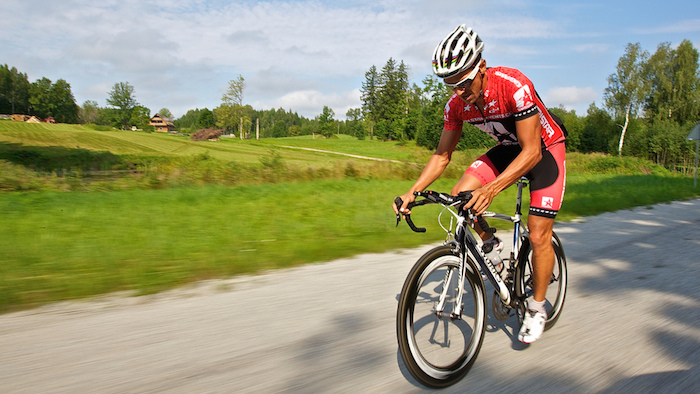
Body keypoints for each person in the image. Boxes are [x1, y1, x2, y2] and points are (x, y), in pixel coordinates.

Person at [392, 25, 567, 344]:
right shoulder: (456, 105)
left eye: (463, 82)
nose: (458, 91)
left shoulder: (514, 86)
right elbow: (442, 156)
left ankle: (538, 308)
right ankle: (491, 243)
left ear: (482, 67)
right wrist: (411, 191)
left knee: (538, 231)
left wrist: (491, 189)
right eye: (450, 84)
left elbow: (531, 151)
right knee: (460, 195)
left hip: (544, 148)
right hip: (511, 148)